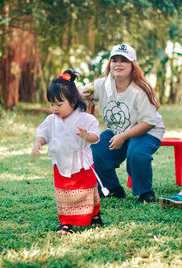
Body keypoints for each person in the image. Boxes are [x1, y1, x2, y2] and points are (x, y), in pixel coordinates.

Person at [80, 43, 165, 203]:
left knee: (137, 153)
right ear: (110, 64)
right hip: (117, 130)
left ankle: (146, 193)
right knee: (96, 150)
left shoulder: (141, 89)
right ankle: (112, 189)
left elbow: (149, 122)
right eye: (114, 60)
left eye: (124, 60)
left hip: (147, 131)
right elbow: (79, 92)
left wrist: (124, 136)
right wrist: (78, 93)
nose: (118, 64)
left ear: (133, 65)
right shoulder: (101, 85)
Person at [31, 70, 102, 235]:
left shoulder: (86, 119)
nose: (54, 108)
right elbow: (43, 133)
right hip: (61, 163)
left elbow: (95, 137)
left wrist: (87, 136)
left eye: (59, 104)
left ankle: (94, 214)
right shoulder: (51, 120)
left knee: (87, 190)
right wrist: (38, 143)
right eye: (52, 104)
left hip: (81, 163)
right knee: (64, 193)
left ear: (73, 101)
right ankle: (66, 222)